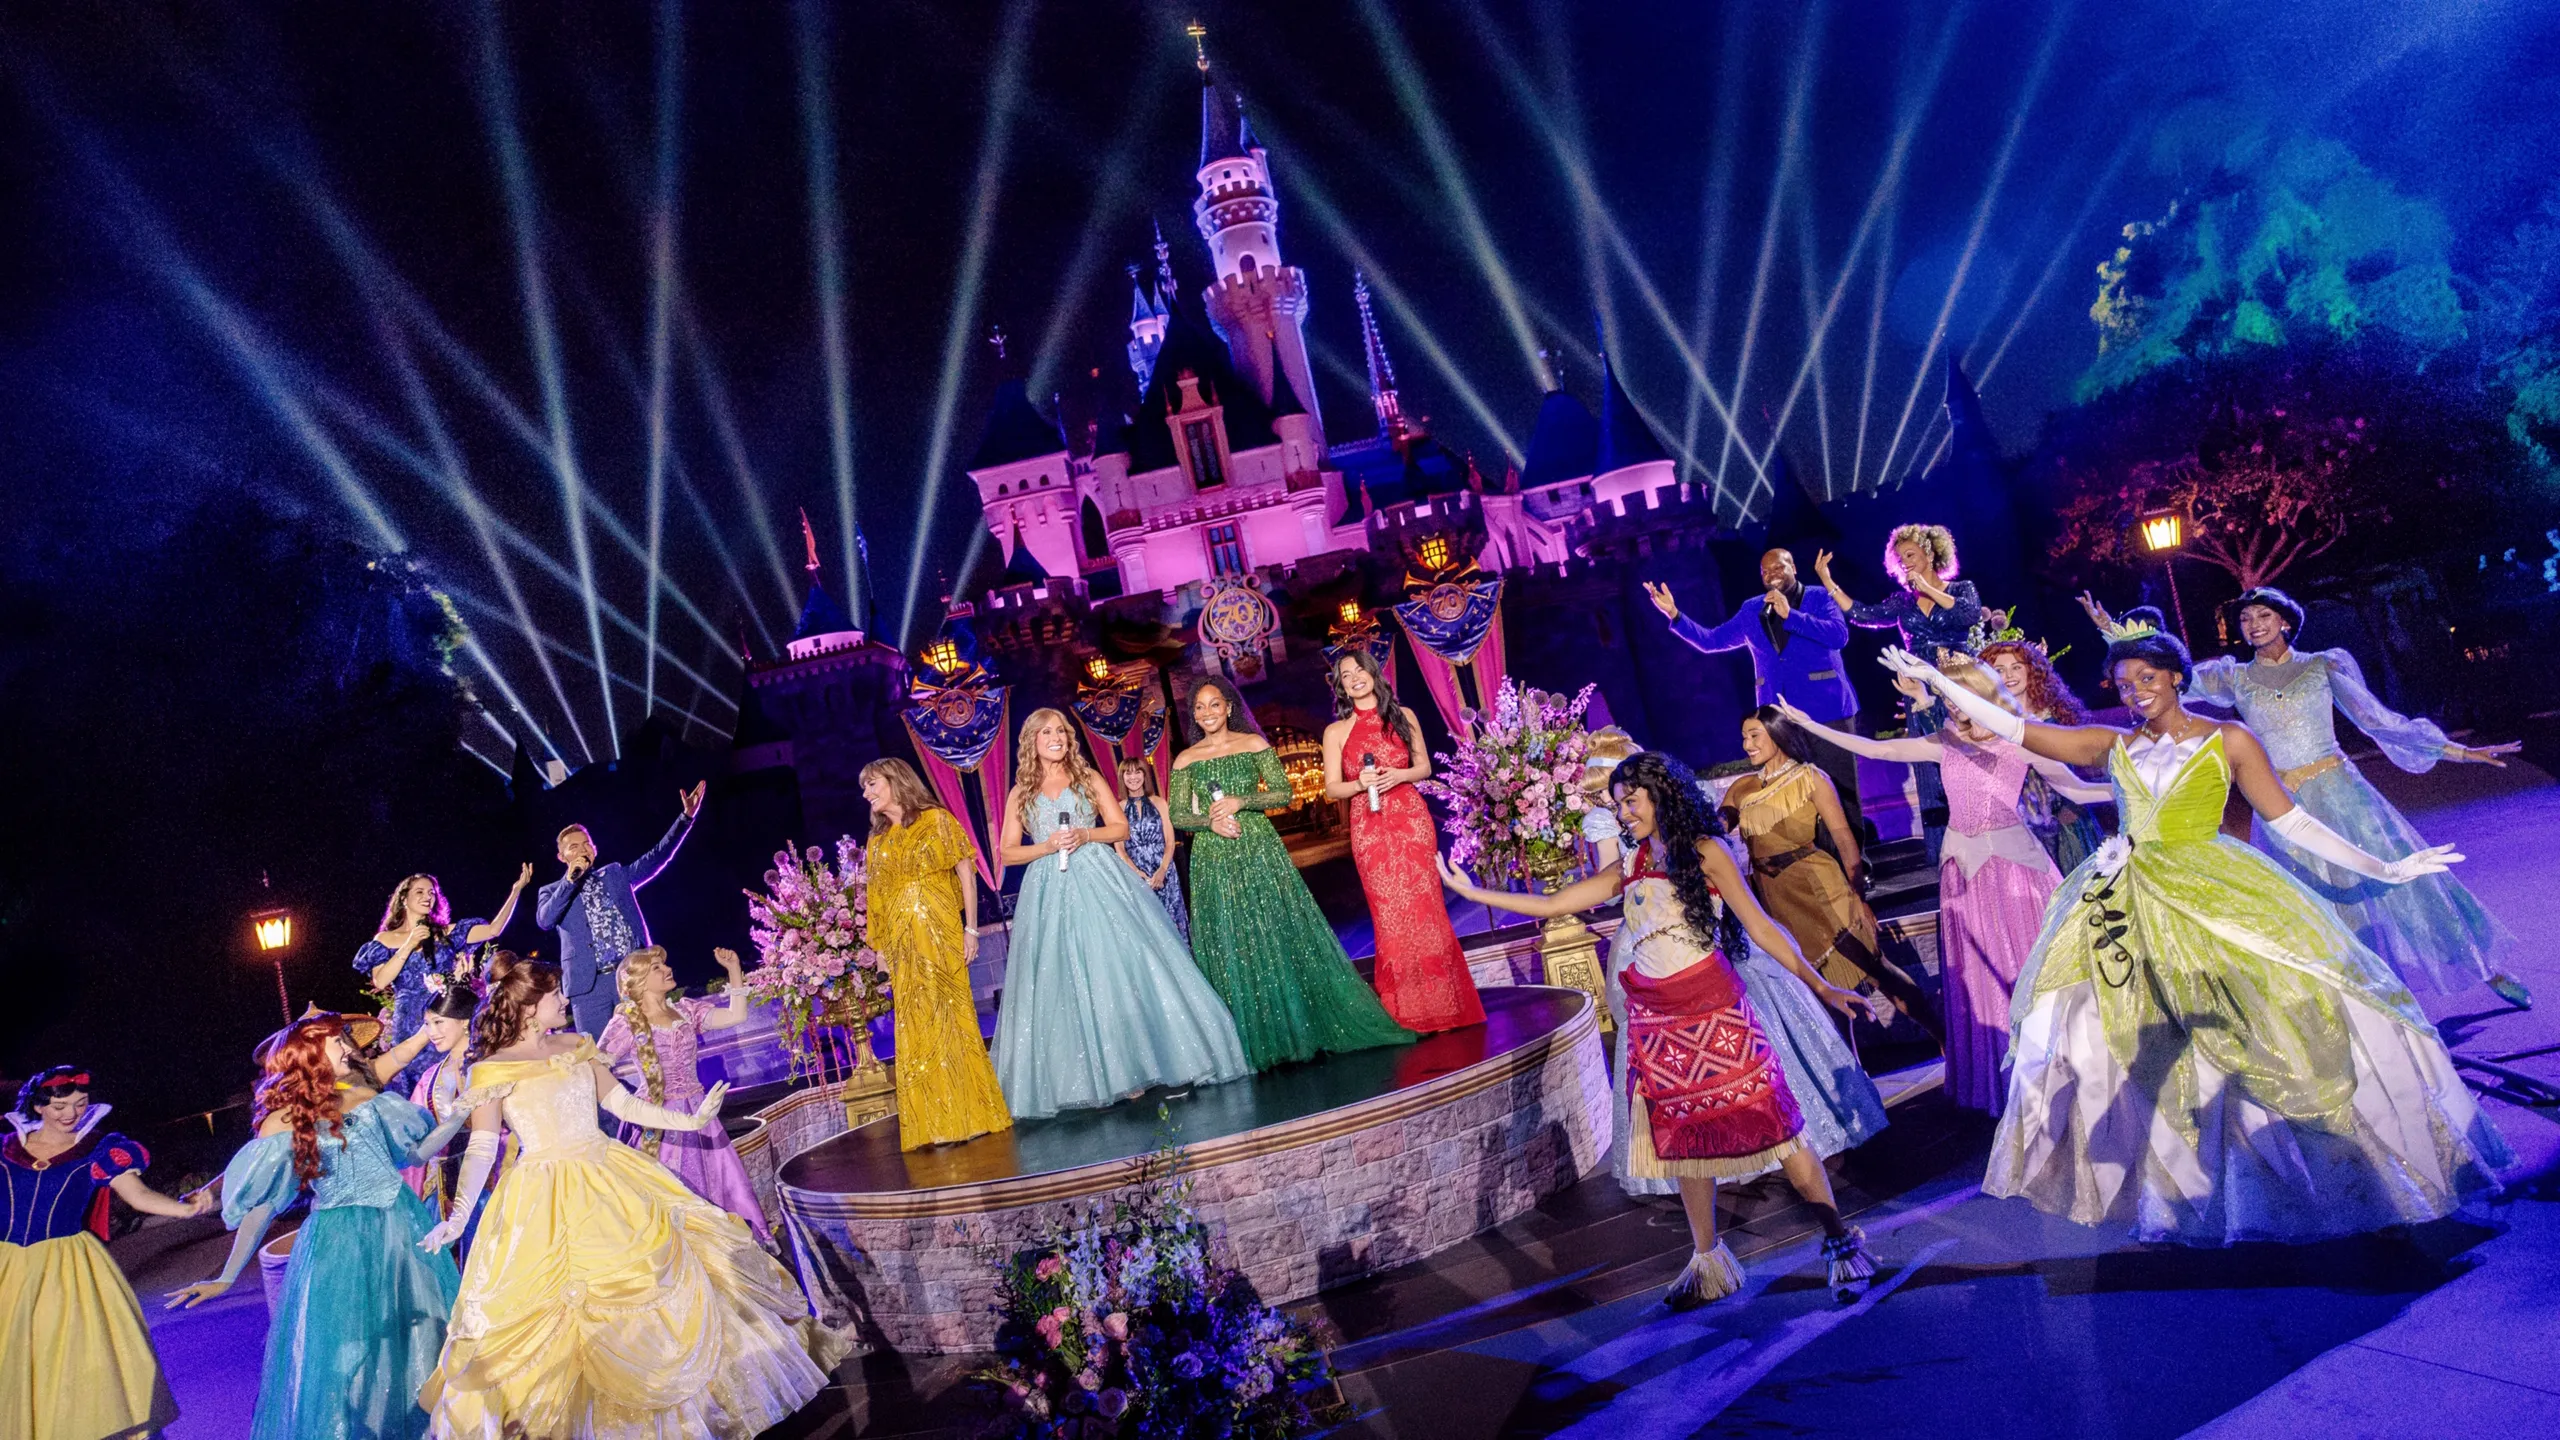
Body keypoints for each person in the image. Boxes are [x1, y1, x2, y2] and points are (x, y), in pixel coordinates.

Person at [1886, 627, 2512, 1243]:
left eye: (2148, 680)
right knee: (2127, 1040)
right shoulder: (2113, 744)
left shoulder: (2229, 739)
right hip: (2132, 898)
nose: (2135, 694)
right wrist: (1944, 684)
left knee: (2269, 1020)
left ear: (2177, 678)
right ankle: (2184, 1185)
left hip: (2216, 889)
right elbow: (2018, 729)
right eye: (2125, 685)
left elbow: (2289, 821)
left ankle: (2325, 1167)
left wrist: (2385, 867)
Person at [1438, 753, 1880, 1307]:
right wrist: (1476, 894)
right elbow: (1556, 901)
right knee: (1684, 1141)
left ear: (1660, 797)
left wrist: (1822, 986)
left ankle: (1838, 1238)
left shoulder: (1705, 852)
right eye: (1618, 803)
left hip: (1715, 1009)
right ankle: (1707, 1262)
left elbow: (1763, 928)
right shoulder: (1631, 862)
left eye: (1631, 801)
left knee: (1779, 1126)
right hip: (1659, 1020)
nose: (1622, 813)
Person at [418, 954, 848, 1437]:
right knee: (559, 1311)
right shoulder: (491, 1070)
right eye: (556, 994)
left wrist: (690, 1120)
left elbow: (621, 1103)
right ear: (531, 1006)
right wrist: (456, 1219)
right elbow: (480, 1147)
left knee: (670, 1272)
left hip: (610, 1173)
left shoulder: (578, 1045)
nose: (566, 1000)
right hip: (542, 1195)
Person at [1775, 657, 2113, 1115]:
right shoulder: (1946, 741)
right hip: (1965, 881)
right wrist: (1813, 726)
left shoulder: (2020, 739)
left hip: (2017, 874)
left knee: (2031, 976)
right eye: (1948, 701)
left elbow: (2077, 791)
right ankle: (2008, 1091)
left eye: (1958, 699)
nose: (1952, 710)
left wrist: (2146, 784)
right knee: (1980, 982)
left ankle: (2065, 1079)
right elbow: (1879, 752)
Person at [2171, 587, 2529, 1010]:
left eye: (2263, 615)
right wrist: (2122, 640)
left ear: (2285, 621)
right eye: (2246, 619)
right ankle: (2366, 1000)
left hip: (2343, 794)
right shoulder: (2232, 678)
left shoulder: (2325, 665)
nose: (2253, 624)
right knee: (2314, 899)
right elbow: (2169, 676)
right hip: (2282, 804)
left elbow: (2379, 721)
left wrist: (2462, 752)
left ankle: (2485, 967)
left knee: (2408, 882)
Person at [168, 1014, 498, 1440]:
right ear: (308, 1055)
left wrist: (457, 1117)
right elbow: (264, 1206)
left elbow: (415, 1155)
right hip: (339, 1243)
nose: (348, 1048)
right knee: (349, 1356)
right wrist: (226, 1275)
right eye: (336, 1041)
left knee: (422, 1339)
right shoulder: (283, 1121)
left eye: (344, 1039)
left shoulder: (367, 1097)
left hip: (401, 1229)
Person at [989, 711, 1251, 1117]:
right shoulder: (1021, 791)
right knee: (1063, 977)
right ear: (1032, 741)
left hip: (1097, 878)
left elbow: (1119, 828)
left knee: (1119, 966)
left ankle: (1149, 1062)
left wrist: (1084, 834)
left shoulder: (1087, 777)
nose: (1055, 737)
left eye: (1060, 730)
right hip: (1048, 889)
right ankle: (1092, 1076)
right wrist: (1046, 845)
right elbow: (1007, 852)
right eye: (1046, 732)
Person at [1172, 679, 1416, 1070]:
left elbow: (1283, 793)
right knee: (1231, 940)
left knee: (1274, 929)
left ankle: (1298, 1028)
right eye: (1199, 708)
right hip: (1212, 857)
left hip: (1257, 848)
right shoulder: (1185, 760)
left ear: (1228, 707)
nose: (1207, 713)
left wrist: (1241, 800)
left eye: (1213, 705)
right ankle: (1247, 1042)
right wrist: (1209, 823)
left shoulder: (1253, 745)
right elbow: (1178, 815)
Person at [1722, 705, 1944, 1044]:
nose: (1747, 745)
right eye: (1744, 738)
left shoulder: (1810, 777)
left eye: (1755, 736)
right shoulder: (1741, 788)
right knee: (1819, 994)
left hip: (1821, 890)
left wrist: (1858, 897)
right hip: (1777, 900)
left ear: (1778, 735)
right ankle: (1854, 1078)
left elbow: (1843, 836)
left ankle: (1943, 1037)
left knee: (1878, 970)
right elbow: (1716, 826)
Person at [3, 1066, 201, 1440]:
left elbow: (139, 1196)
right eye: (60, 1105)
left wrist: (185, 1209)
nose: (71, 1114)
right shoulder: (4, 1150)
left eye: (79, 1104)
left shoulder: (99, 1149)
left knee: (73, 1361)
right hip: (7, 1268)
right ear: (39, 1107)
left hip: (67, 1270)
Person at [1647, 548, 1867, 839]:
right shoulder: (1753, 609)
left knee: (1841, 787)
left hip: (1827, 708)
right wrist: (1675, 614)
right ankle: (1820, 862)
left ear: (1793, 568)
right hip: (1779, 717)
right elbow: (1712, 641)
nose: (1771, 575)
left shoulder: (1818, 597)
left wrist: (1792, 616)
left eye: (1778, 568)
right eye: (1765, 571)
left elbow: (1839, 636)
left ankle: (1856, 862)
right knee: (1796, 793)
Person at [1321, 648, 1485, 1033]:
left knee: (1426, 908)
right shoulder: (1336, 731)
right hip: (1369, 825)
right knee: (1389, 913)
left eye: (1360, 669)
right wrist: (1358, 783)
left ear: (1374, 672)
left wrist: (1399, 775)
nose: (1355, 677)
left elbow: (1424, 765)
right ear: (1342, 687)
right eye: (1346, 675)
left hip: (1410, 819)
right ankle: (1406, 1012)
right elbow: (1331, 789)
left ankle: (1448, 1005)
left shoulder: (1403, 716)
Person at [860, 757, 1014, 1148]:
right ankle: (934, 1123)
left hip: (940, 928)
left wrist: (971, 929)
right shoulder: (877, 840)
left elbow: (966, 871)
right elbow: (875, 897)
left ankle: (971, 1113)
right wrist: (880, 950)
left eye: (872, 784)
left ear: (895, 781)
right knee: (915, 1024)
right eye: (865, 788)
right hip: (901, 941)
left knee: (950, 1016)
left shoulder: (936, 820)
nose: (867, 794)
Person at [1816, 524, 1982, 860]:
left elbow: (1968, 614)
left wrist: (1930, 590)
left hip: (1961, 683)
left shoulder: (1961, 588)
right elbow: (1863, 614)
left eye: (1910, 555)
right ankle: (1946, 855)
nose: (1905, 562)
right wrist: (1828, 581)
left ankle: (1982, 830)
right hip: (1919, 685)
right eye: (1900, 558)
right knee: (1931, 761)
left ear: (1930, 553)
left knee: (1968, 753)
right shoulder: (1902, 601)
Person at [598, 945, 770, 1237]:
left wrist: (733, 971)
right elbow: (597, 1065)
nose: (667, 970)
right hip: (657, 1121)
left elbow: (735, 1016)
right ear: (637, 980)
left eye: (664, 965)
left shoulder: (686, 1010)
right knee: (673, 1193)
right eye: (656, 968)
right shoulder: (626, 1021)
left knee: (718, 1186)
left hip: (698, 1110)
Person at [537, 782, 705, 1037]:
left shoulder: (614, 874)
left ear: (594, 849)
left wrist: (685, 818)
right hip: (589, 987)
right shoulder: (552, 890)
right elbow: (546, 920)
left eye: (586, 844)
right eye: (574, 847)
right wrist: (569, 881)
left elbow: (657, 857)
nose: (583, 849)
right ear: (562, 857)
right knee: (600, 1056)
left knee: (648, 1046)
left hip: (632, 976)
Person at [356, 868, 531, 1089]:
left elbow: (493, 930)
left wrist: (516, 890)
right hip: (410, 1022)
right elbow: (380, 981)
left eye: (431, 893)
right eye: (420, 892)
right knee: (417, 1085)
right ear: (404, 898)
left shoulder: (446, 934)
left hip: (446, 1016)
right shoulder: (385, 939)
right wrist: (409, 943)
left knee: (452, 1082)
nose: (428, 897)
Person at [1979, 638, 2107, 874]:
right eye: (1999, 670)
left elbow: (2079, 768)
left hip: (2068, 821)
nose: (2009, 675)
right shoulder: (1987, 725)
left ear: (2031, 670)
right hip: (2019, 829)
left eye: (2016, 666)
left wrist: (2072, 810)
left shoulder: (2057, 718)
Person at [400, 980, 498, 1258]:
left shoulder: (494, 1065)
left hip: (495, 1173)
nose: (432, 1032)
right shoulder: (430, 1078)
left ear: (466, 1021)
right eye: (427, 1024)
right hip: (445, 1185)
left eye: (439, 1022)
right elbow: (415, 1136)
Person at [1112, 755, 1190, 942]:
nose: (1133, 777)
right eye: (1128, 773)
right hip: (1135, 873)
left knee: (1172, 921)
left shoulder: (1159, 803)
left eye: (1137, 771)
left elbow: (1170, 842)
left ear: (1144, 775)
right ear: (1122, 778)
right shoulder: (1117, 808)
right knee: (1147, 926)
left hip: (1164, 870)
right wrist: (1136, 873)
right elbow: (1120, 849)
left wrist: (1162, 871)